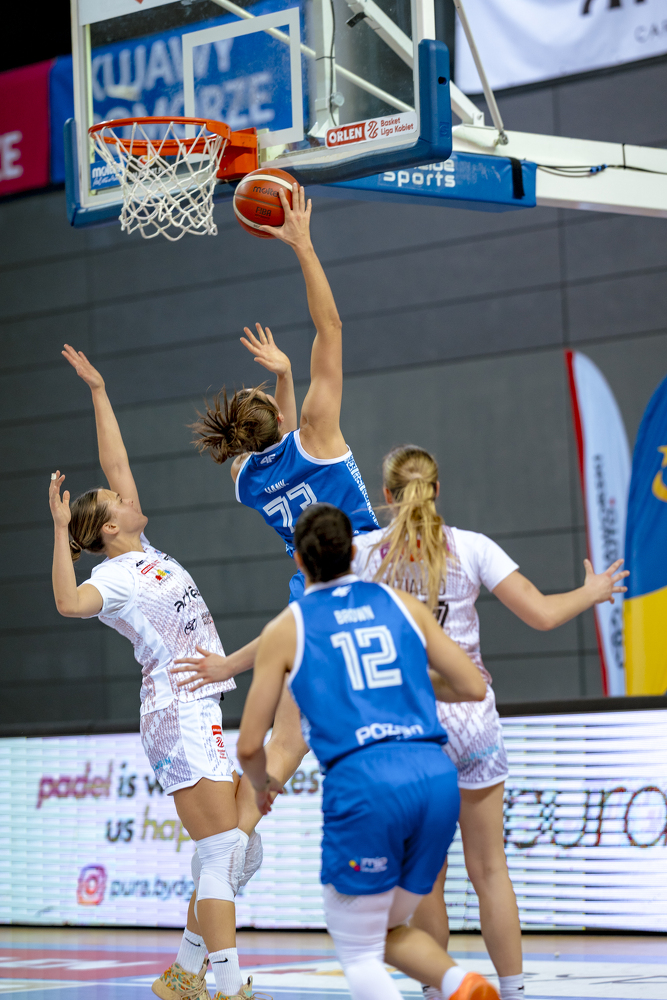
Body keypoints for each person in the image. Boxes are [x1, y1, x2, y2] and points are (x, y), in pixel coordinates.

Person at [352, 445, 630, 1000]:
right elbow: (542, 614)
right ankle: (515, 991)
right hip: (472, 721)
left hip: (410, 728)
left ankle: (439, 991)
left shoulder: (362, 554)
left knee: (427, 876)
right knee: (490, 869)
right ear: (437, 489)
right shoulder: (471, 547)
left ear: (386, 495)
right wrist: (593, 591)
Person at [48, 345, 266, 1000]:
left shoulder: (141, 547)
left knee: (241, 852)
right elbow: (67, 603)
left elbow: (115, 461)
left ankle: (181, 973)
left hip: (201, 708)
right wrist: (59, 529)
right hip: (175, 712)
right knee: (223, 852)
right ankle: (226, 986)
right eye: (116, 499)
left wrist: (99, 391)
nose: (126, 492)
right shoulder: (113, 577)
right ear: (108, 527)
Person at [236, 503, 501, 1000]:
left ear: (299, 560)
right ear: (353, 551)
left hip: (365, 782)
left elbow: (250, 744)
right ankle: (458, 982)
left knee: (357, 949)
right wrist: (409, 682)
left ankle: (455, 982)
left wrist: (261, 784)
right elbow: (472, 685)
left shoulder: (287, 628)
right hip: (434, 777)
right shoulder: (401, 603)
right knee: (384, 929)